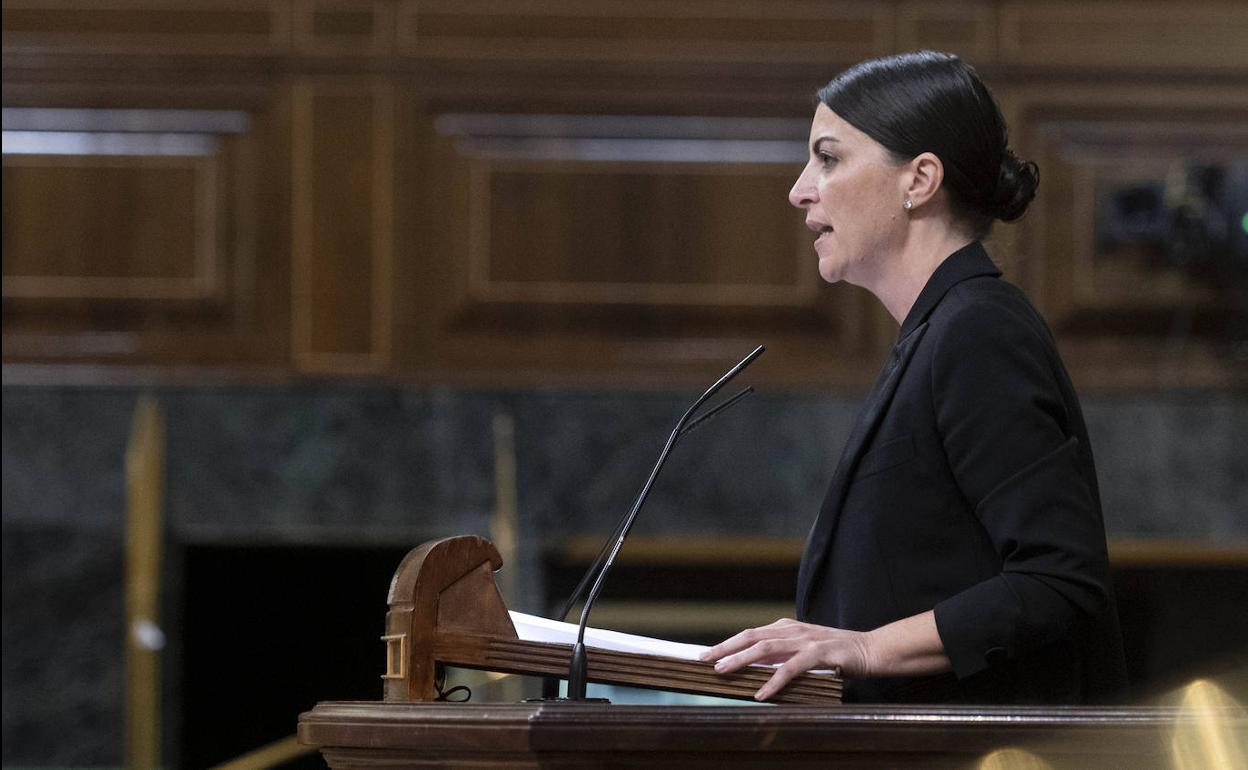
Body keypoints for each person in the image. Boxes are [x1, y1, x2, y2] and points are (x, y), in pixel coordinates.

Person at [700, 51, 1128, 704]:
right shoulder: (942, 330)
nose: (800, 188)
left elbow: (1059, 580)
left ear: (920, 178)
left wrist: (867, 647)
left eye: (829, 157)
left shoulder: (978, 331)